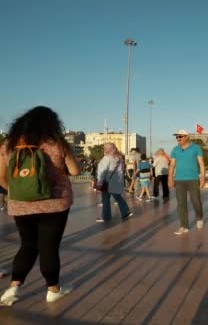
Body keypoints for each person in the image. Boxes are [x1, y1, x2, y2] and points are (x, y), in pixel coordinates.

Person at [0, 106, 81, 305]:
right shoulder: (56, 143)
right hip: (55, 205)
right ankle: (53, 290)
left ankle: (12, 288)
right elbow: (75, 170)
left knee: (27, 246)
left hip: (20, 205)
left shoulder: (8, 145)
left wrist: (19, 193)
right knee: (49, 248)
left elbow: (1, 177)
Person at [169, 130, 206, 235]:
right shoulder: (175, 150)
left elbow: (201, 164)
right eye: (177, 137)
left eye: (180, 137)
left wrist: (202, 178)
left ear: (186, 137)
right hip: (179, 180)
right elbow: (172, 165)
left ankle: (199, 217)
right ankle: (184, 226)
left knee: (196, 201)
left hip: (193, 179)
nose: (178, 139)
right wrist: (170, 178)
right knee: (181, 204)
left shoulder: (196, 148)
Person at [96, 143, 133, 222]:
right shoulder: (119, 158)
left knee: (105, 200)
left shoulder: (107, 158)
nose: (104, 150)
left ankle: (106, 216)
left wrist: (99, 183)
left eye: (104, 148)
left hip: (107, 182)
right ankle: (125, 211)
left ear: (108, 150)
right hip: (117, 182)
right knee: (118, 197)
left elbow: (102, 171)